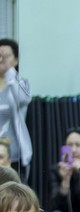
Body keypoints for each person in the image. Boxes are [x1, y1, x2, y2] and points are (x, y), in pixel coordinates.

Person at [0, 39, 32, 180]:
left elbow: (23, 99)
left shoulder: (20, 83)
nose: (1, 59)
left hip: (14, 155)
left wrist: (9, 73)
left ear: (16, 60)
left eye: (6, 56)